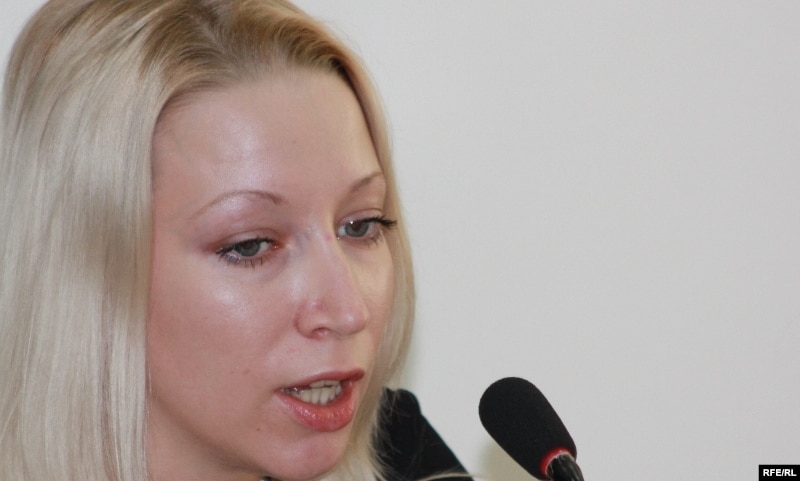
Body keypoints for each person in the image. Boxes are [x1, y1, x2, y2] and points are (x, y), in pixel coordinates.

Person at [0, 1, 472, 480]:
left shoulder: (406, 457)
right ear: (86, 271)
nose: (349, 311)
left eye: (361, 225)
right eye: (251, 245)